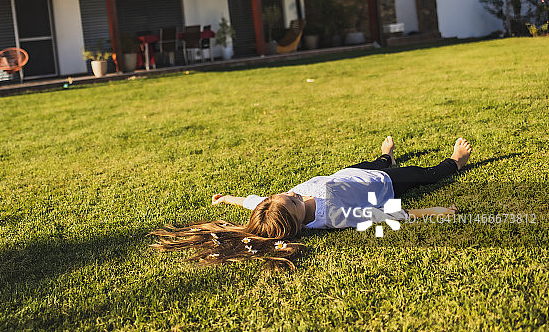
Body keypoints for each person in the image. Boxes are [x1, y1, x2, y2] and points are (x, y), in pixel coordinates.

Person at [150, 137, 472, 269]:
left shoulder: (275, 207)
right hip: (383, 188)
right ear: (298, 221)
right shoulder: (334, 215)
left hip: (348, 174)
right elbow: (379, 214)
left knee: (377, 162)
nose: (291, 194)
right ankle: (456, 161)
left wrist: (229, 198)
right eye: (291, 201)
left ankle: (385, 155)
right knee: (425, 174)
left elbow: (253, 203)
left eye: (282, 195)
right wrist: (430, 212)